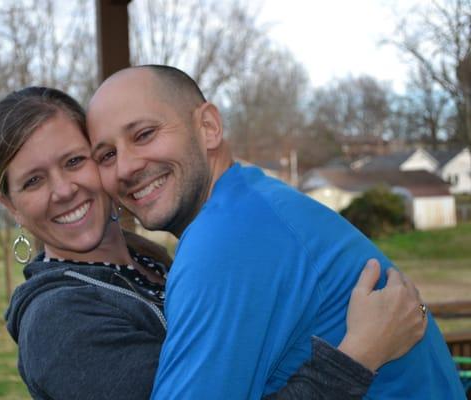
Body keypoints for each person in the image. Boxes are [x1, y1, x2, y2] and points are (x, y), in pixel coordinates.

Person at [0, 87, 425, 400]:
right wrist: (359, 356)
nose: (63, 190)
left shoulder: (152, 260)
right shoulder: (59, 321)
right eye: (34, 181)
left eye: (75, 161)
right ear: (12, 206)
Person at [87, 65, 466, 399]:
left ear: (208, 127)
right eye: (106, 155)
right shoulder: (255, 204)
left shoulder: (227, 240)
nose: (125, 168)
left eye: (144, 134)